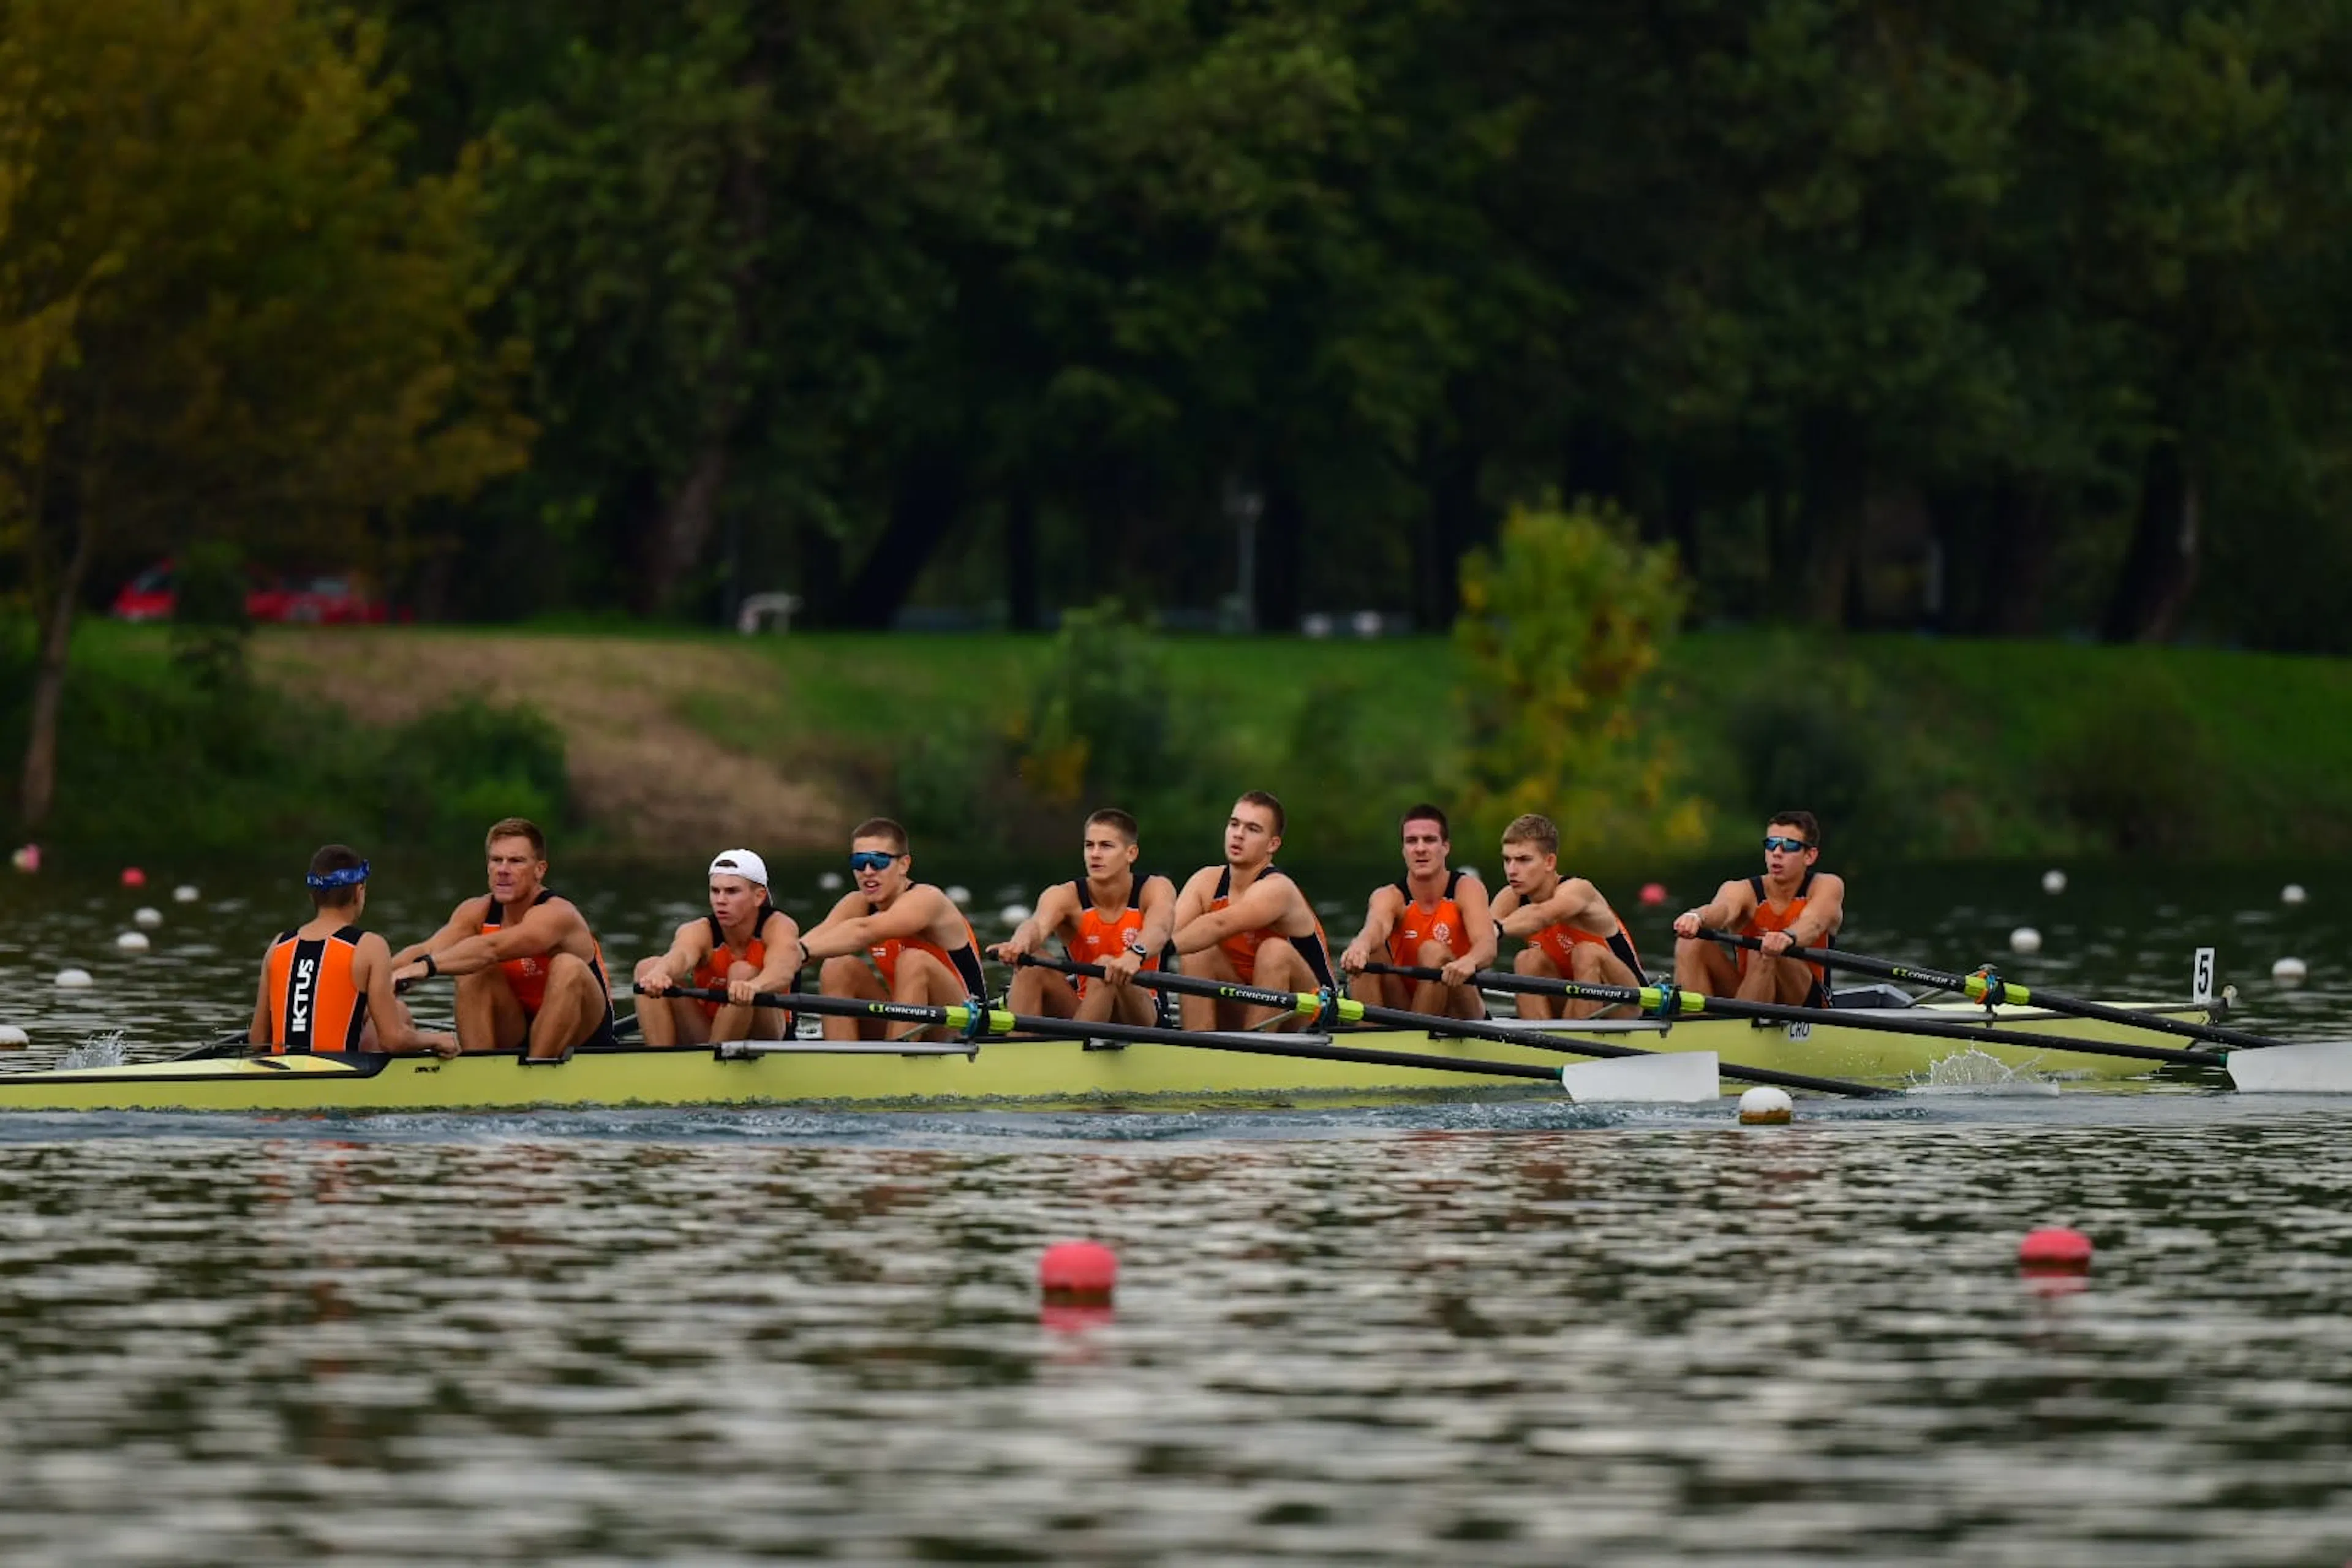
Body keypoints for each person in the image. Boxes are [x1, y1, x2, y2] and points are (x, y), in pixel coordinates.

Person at [389, 817, 616, 1058]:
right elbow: (429, 948)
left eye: (516, 861)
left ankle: (535, 1073)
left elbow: (491, 948)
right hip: (517, 1027)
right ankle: (480, 1073)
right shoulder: (476, 911)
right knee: (473, 971)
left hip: (583, 1033)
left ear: (540, 870)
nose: (503, 870)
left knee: (567, 966)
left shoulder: (558, 914)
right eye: (496, 860)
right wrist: (379, 980)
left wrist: (426, 968)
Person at [247, 845, 457, 1057]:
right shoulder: (369, 946)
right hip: (338, 1077)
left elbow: (257, 1040)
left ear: (313, 895)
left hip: (282, 1075)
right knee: (398, 1012)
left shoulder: (278, 945)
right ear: (359, 892)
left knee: (377, 1013)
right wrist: (438, 1039)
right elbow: (393, 1040)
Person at [799, 817, 986, 1041]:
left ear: (904, 865)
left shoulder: (926, 899)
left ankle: (896, 1062)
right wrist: (763, 975)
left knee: (913, 960)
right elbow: (806, 946)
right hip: (912, 1019)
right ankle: (842, 1064)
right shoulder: (856, 904)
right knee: (837, 966)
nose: (867, 871)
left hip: (962, 1022)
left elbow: (864, 930)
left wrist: (798, 953)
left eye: (878, 861)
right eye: (859, 862)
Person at [993, 809, 1177, 1028]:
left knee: (1105, 966)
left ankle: (1071, 1050)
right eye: (1089, 845)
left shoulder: (1155, 888)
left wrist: (1135, 954)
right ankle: (1018, 1051)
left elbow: (1160, 928)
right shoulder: (1064, 896)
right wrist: (1019, 943)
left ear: (1131, 853)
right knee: (1031, 963)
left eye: (1106, 846)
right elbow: (1036, 926)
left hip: (1143, 1013)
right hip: (1087, 1007)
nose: (1095, 854)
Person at [1170, 791, 1335, 1032]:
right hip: (1249, 1007)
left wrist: (1150, 951)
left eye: (1253, 829)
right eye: (1234, 824)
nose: (1238, 835)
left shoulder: (1278, 889)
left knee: (1274, 951)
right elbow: (1166, 933)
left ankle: (1254, 1051)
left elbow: (1219, 925)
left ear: (1273, 844)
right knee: (1197, 951)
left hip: (1308, 1017)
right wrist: (1131, 955)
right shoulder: (1206, 882)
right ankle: (1198, 1047)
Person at [1671, 810, 1846, 1006]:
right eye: (1771, 845)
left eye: (1788, 846)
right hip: (1753, 991)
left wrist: (1788, 937)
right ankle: (1695, 1024)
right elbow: (1723, 910)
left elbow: (1813, 923)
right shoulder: (1741, 889)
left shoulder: (1827, 885)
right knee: (1690, 942)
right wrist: (1697, 916)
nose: (1777, 853)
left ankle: (1740, 1025)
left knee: (1765, 949)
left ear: (1810, 856)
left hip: (1807, 1001)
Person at [632, 848, 802, 1047]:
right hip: (709, 1033)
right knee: (648, 968)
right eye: (715, 891)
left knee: (742, 972)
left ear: (759, 896)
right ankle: (659, 1064)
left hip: (769, 1034)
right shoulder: (699, 930)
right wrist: (660, 974)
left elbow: (782, 970)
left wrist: (755, 986)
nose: (720, 900)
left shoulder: (779, 926)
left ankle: (711, 1067)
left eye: (732, 891)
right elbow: (681, 955)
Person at [1338, 803, 1494, 1018]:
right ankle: (1370, 1037)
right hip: (1406, 1005)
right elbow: (1376, 926)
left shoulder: (1467, 889)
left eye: (1429, 840)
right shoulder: (1389, 896)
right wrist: (1361, 946)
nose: (1420, 849)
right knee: (1370, 951)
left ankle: (1411, 1037)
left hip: (1461, 1008)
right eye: (1412, 841)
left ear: (1446, 847)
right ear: (1404, 850)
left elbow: (1487, 945)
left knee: (1434, 952)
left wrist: (1470, 961)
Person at [1487, 813, 1646, 1021]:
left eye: (1524, 860)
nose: (1512, 870)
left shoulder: (1578, 890)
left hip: (1625, 1002)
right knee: (1527, 959)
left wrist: (1496, 929)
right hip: (1572, 999)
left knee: (1586, 953)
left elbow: (1541, 915)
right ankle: (1537, 1041)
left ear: (1549, 862)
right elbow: (1479, 945)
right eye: (1507, 860)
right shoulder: (1510, 897)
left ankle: (1568, 1041)